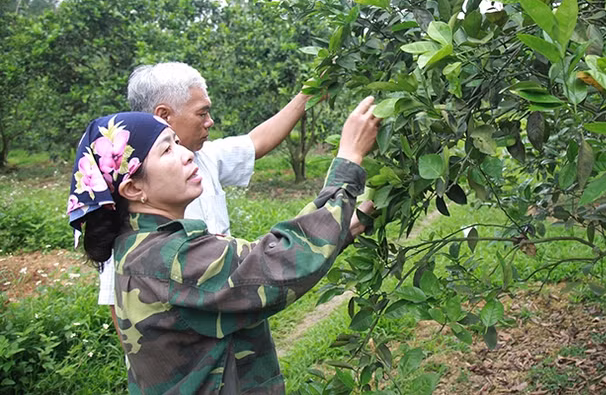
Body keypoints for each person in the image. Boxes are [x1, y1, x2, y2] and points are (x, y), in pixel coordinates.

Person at [67, 96, 380, 394]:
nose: (186, 154)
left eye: (176, 143)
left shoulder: (141, 245)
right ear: (134, 188)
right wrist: (348, 160)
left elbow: (255, 260)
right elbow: (279, 263)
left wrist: (348, 225)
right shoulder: (171, 258)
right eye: (166, 151)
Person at [98, 62, 312, 310]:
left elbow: (257, 142)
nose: (210, 122)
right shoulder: (129, 196)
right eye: (202, 113)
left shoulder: (201, 157)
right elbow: (120, 301)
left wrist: (307, 94)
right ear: (164, 115)